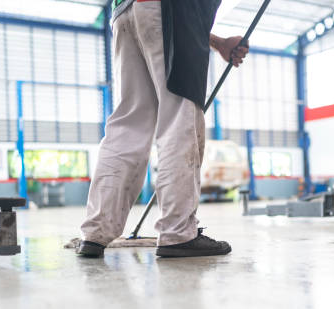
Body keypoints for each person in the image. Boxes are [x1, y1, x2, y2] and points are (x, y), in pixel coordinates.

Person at [76, 0, 249, 258]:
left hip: (125, 13)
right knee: (180, 117)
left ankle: (95, 233)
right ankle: (177, 233)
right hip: (170, 12)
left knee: (128, 126)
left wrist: (219, 43)